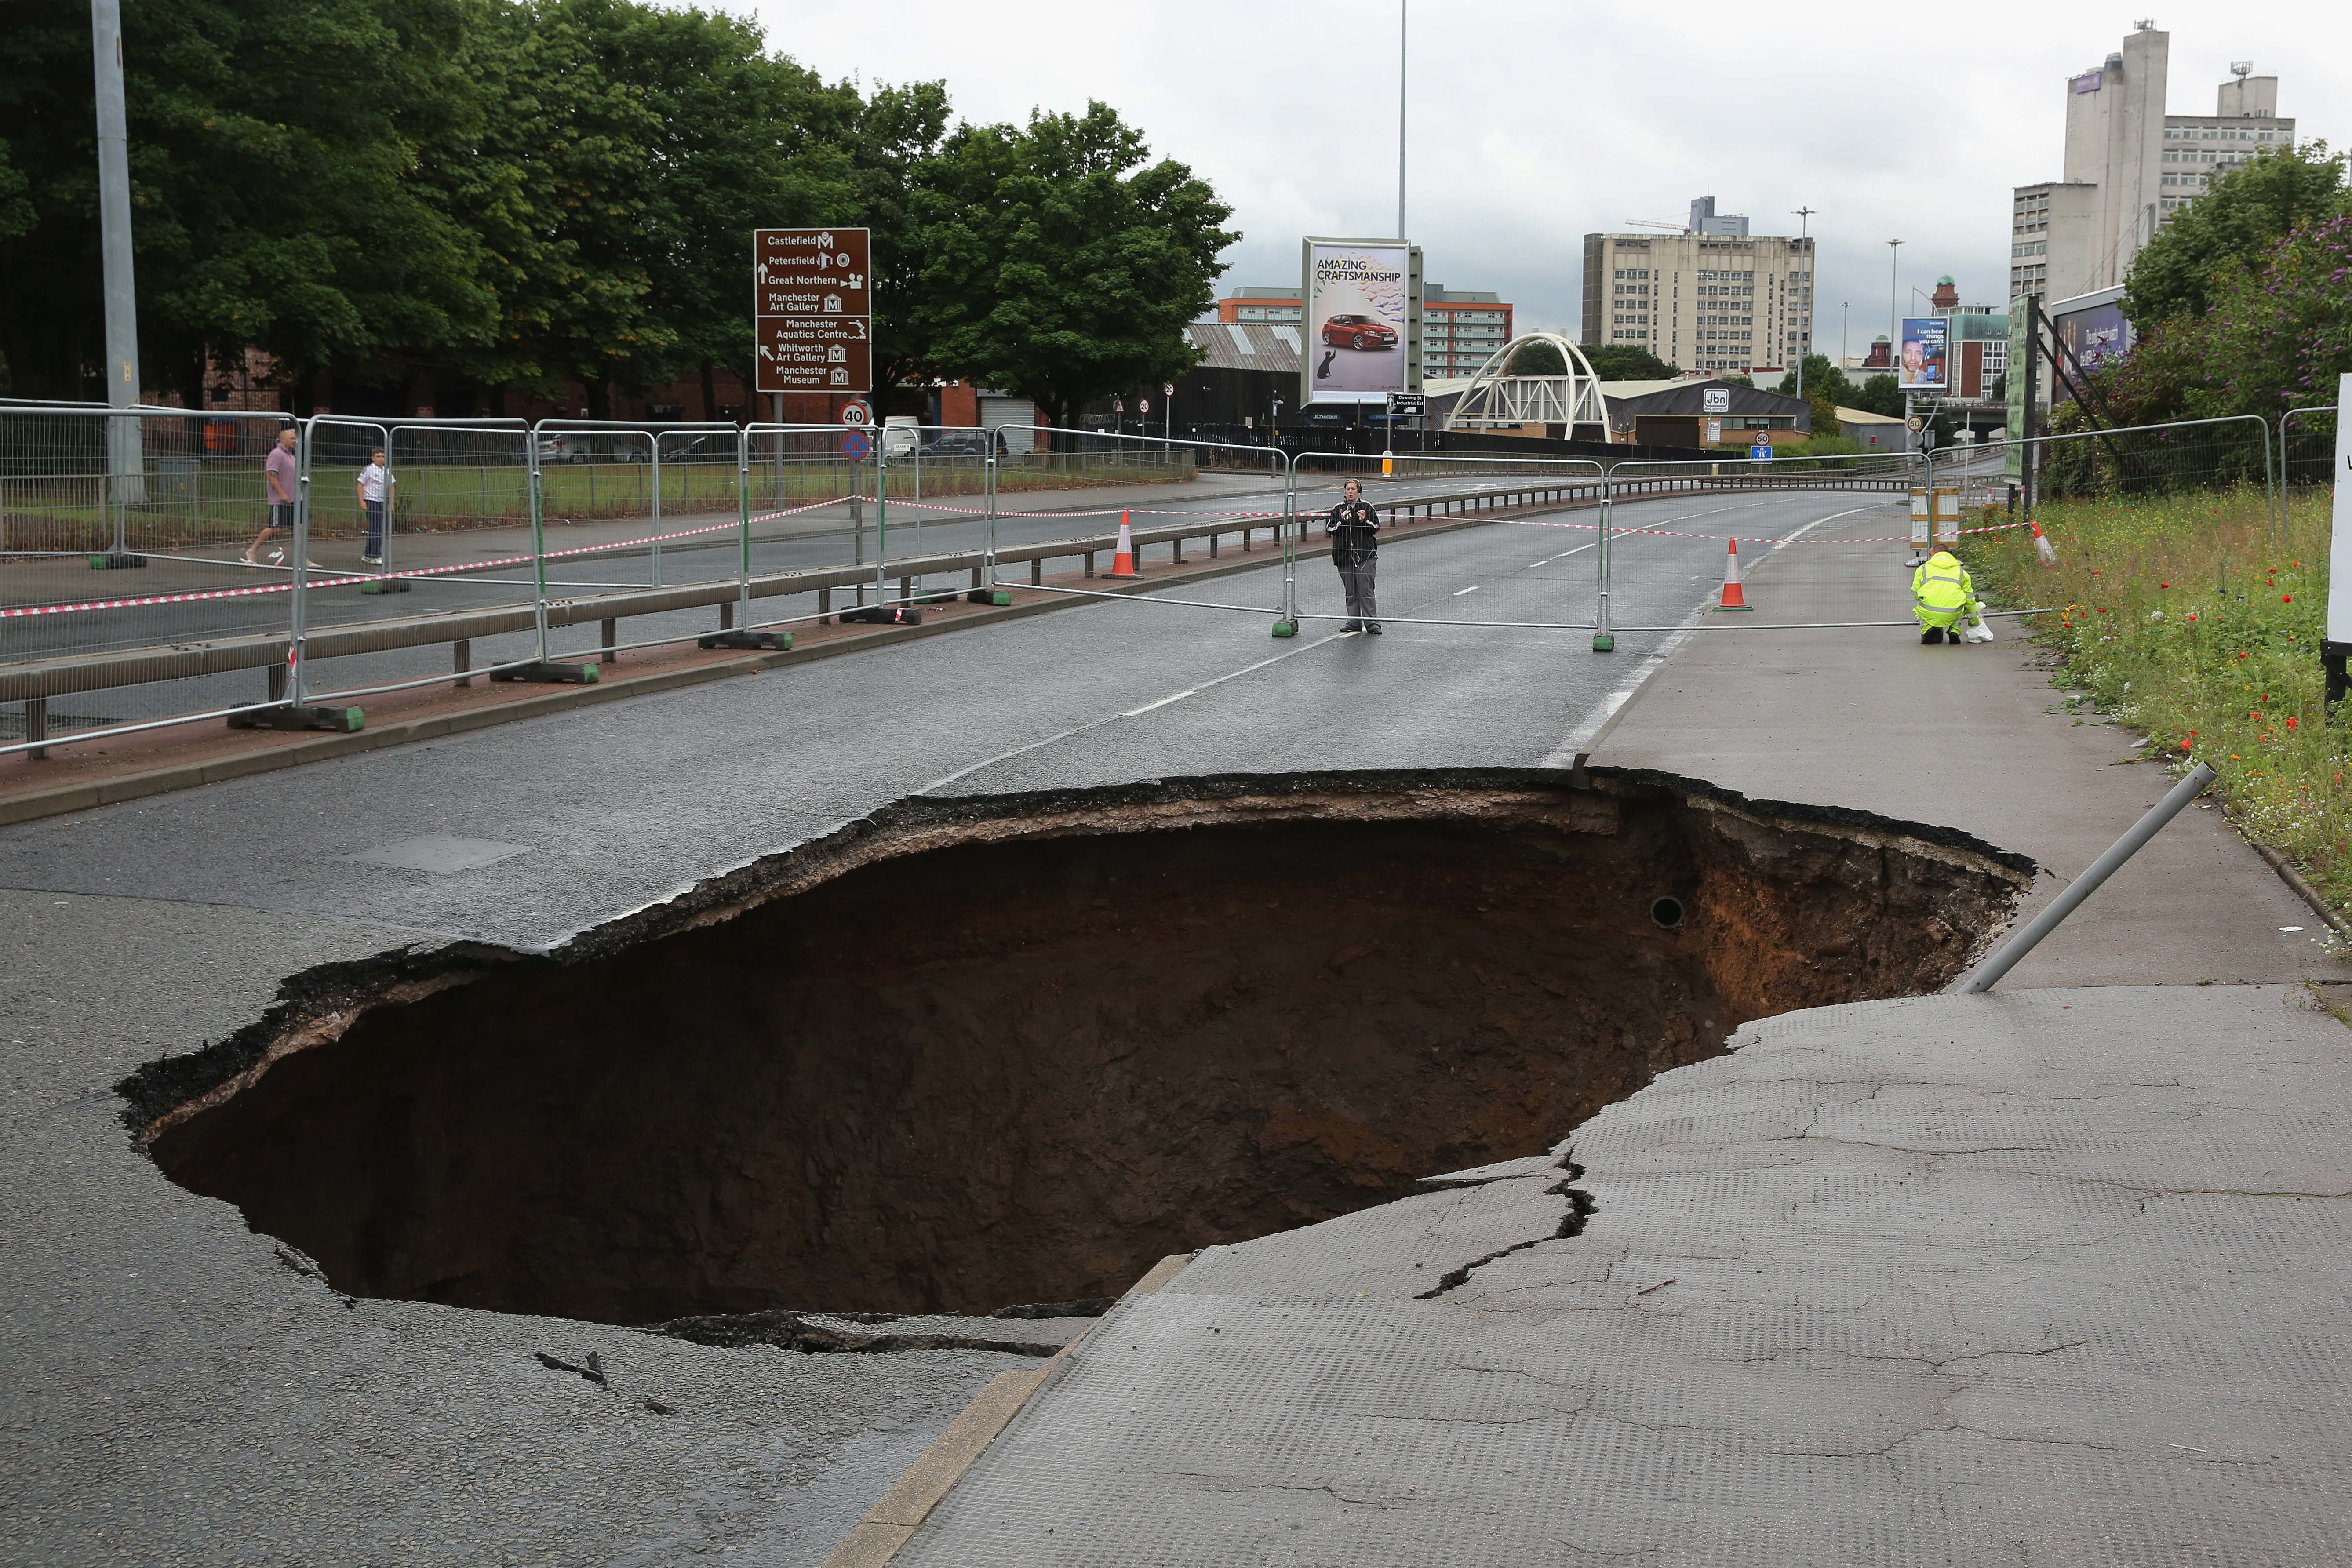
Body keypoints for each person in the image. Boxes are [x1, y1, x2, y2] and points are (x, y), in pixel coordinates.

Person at [1325, 477, 1382, 634]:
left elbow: (1376, 526)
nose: (1350, 492)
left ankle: (1372, 624)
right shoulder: (1338, 509)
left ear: (1359, 491)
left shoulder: (1367, 507)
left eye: (1353, 489)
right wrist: (1342, 521)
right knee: (1351, 591)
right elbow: (1330, 529)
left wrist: (1364, 521)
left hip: (1365, 556)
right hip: (1344, 556)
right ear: (1345, 491)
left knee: (1366, 590)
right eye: (1348, 489)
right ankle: (1354, 622)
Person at [247, 426, 302, 564]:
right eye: (292, 439)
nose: (295, 441)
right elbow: (271, 475)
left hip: (294, 498)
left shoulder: (292, 456)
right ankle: (252, 550)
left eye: (296, 439)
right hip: (280, 500)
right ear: (283, 440)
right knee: (275, 528)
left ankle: (302, 559)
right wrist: (282, 494)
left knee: (299, 528)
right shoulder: (276, 454)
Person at [1912, 549, 1980, 644]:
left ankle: (1927, 629)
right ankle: (1954, 631)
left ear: (1935, 554)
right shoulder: (1961, 572)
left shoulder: (1923, 569)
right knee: (1962, 607)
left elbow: (1915, 593)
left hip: (1929, 611)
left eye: (1930, 555)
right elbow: (1970, 600)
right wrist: (1974, 622)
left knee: (1918, 610)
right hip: (1953, 613)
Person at [356, 446, 394, 564]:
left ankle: (368, 554)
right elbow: (361, 485)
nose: (381, 459)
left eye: (383, 456)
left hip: (381, 501)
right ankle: (376, 554)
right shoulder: (368, 470)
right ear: (373, 458)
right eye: (378, 456)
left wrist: (391, 503)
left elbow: (392, 486)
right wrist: (362, 501)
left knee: (378, 527)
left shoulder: (387, 471)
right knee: (377, 527)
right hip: (371, 500)